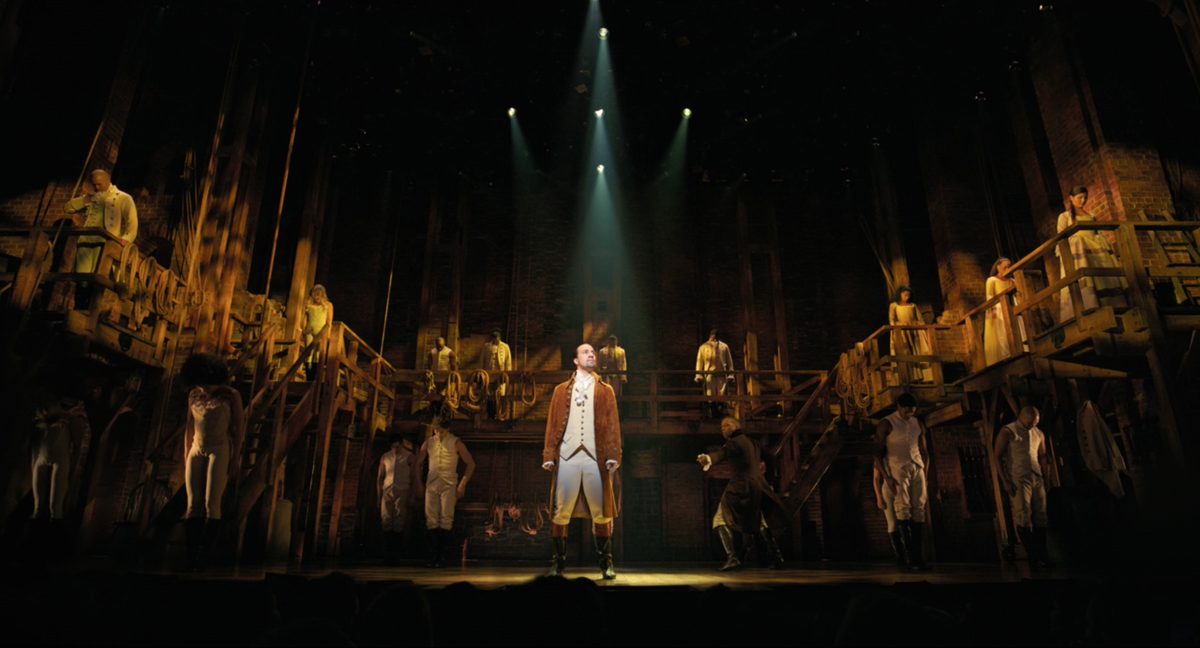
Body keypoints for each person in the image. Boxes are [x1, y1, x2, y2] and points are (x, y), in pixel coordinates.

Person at [542, 343, 622, 579]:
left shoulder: (606, 390)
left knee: (602, 510)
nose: (591, 354)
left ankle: (606, 564)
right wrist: (549, 454)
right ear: (576, 360)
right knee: (560, 510)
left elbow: (613, 423)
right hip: (567, 456)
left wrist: (613, 454)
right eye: (585, 352)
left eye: (593, 352)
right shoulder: (560, 390)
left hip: (594, 457)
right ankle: (558, 564)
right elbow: (552, 423)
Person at [180, 352, 245, 572]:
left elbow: (239, 427)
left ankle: (204, 555)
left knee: (211, 502)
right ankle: (190, 556)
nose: (203, 389)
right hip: (196, 448)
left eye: (207, 384)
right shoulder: (193, 395)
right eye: (200, 384)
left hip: (220, 448)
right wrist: (186, 452)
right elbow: (189, 425)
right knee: (192, 504)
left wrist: (235, 457)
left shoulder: (231, 395)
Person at [696, 416, 787, 571]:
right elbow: (770, 456)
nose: (723, 428)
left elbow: (723, 453)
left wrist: (708, 458)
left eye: (727, 425)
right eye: (722, 426)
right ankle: (777, 557)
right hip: (758, 486)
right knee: (760, 521)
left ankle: (733, 558)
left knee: (719, 519)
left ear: (736, 426)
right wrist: (768, 480)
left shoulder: (734, 442)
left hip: (740, 486)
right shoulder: (753, 443)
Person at [63, 169, 137, 310]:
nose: (97, 187)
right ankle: (79, 308)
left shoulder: (122, 197)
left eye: (99, 184)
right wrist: (84, 200)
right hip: (86, 240)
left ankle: (89, 309)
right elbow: (67, 208)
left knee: (97, 276)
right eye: (94, 185)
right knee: (82, 276)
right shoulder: (91, 197)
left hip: (105, 243)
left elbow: (132, 223)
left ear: (108, 181)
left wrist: (125, 240)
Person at [873, 392, 931, 571]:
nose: (908, 415)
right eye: (906, 411)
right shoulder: (887, 423)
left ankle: (918, 557)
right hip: (897, 467)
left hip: (917, 467)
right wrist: (887, 477)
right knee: (902, 509)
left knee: (919, 509)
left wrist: (925, 473)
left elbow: (924, 450)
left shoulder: (917, 423)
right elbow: (876, 453)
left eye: (912, 412)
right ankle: (908, 557)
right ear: (898, 407)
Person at [1056, 185, 1128, 323]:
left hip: (1095, 249)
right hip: (1080, 251)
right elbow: (1061, 238)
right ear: (1071, 198)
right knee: (1086, 277)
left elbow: (1097, 231)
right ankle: (1089, 305)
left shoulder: (1091, 215)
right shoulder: (1065, 216)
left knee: (1102, 275)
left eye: (1085, 198)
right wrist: (1076, 241)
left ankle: (1112, 305)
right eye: (1079, 198)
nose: (1083, 200)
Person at [993, 406, 1053, 569]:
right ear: (1020, 417)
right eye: (1029, 422)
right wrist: (1005, 481)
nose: (1032, 425)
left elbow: (1043, 455)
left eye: (1035, 423)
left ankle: (1042, 555)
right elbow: (997, 456)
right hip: (1018, 476)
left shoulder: (1038, 433)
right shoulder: (1008, 431)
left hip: (1036, 475)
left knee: (1041, 516)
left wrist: (1046, 477)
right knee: (1023, 515)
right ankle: (1033, 556)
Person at [414, 419, 475, 568]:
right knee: (431, 519)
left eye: (441, 431)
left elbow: (471, 463)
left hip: (449, 484)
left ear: (447, 430)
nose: (438, 434)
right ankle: (433, 555)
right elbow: (417, 463)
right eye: (436, 431)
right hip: (431, 483)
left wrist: (462, 484)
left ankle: (442, 556)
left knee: (446, 518)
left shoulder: (456, 442)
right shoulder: (429, 443)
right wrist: (419, 484)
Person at [29, 390, 87, 522]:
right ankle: (35, 530)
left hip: (60, 461)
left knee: (55, 505)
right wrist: (33, 465)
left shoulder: (71, 421)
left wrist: (73, 469)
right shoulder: (41, 422)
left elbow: (78, 448)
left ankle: (54, 529)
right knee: (38, 505)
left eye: (48, 407)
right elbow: (35, 447)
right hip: (41, 459)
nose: (45, 411)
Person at [377, 433, 417, 565]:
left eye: (398, 447)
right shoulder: (385, 456)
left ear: (402, 445)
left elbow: (414, 477)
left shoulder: (409, 456)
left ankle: (396, 554)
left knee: (399, 520)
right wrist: (379, 497)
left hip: (402, 490)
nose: (395, 450)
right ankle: (388, 553)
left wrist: (412, 494)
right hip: (387, 490)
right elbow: (380, 477)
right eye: (393, 447)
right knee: (386, 520)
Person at [983, 257, 1028, 365]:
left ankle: (1021, 350)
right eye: (1004, 267)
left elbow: (1018, 294)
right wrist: (992, 313)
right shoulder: (992, 280)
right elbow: (990, 296)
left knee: (1018, 327)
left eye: (1009, 267)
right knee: (1002, 333)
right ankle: (1006, 356)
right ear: (998, 267)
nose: (1007, 269)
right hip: (999, 308)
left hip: (1012, 305)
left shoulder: (1012, 281)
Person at [888, 285, 932, 383]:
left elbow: (920, 318)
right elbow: (891, 319)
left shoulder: (913, 306)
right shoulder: (894, 305)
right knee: (905, 351)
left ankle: (924, 376)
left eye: (908, 295)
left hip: (914, 330)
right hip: (902, 331)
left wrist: (918, 325)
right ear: (900, 295)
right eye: (905, 295)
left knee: (918, 350)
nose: (906, 297)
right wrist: (896, 327)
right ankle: (908, 377)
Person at [695, 329, 735, 419]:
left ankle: (719, 413)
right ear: (710, 336)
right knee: (710, 394)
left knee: (721, 394)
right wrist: (698, 374)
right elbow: (699, 362)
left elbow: (729, 361)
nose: (714, 338)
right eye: (713, 336)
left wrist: (731, 374)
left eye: (716, 336)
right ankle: (713, 413)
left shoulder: (724, 346)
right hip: (709, 373)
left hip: (721, 373)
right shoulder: (703, 347)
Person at [872, 463, 904, 568]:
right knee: (892, 522)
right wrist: (879, 497)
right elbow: (876, 478)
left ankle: (908, 554)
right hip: (887, 489)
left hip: (901, 486)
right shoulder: (879, 460)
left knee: (904, 518)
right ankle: (899, 555)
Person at [300, 285, 333, 376]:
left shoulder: (328, 305)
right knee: (308, 354)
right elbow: (305, 318)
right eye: (315, 294)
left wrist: (328, 333)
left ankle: (316, 376)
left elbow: (329, 320)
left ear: (322, 295)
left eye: (318, 294)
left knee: (317, 355)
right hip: (309, 330)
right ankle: (309, 376)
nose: (316, 297)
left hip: (321, 331)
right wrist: (303, 331)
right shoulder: (309, 305)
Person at [480, 329, 513, 419]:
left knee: (500, 394)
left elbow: (508, 361)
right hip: (488, 375)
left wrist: (507, 374)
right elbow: (482, 360)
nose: (495, 340)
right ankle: (490, 415)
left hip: (500, 375)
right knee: (488, 395)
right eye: (494, 338)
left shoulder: (505, 347)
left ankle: (499, 414)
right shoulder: (486, 346)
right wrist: (481, 373)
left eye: (497, 338)